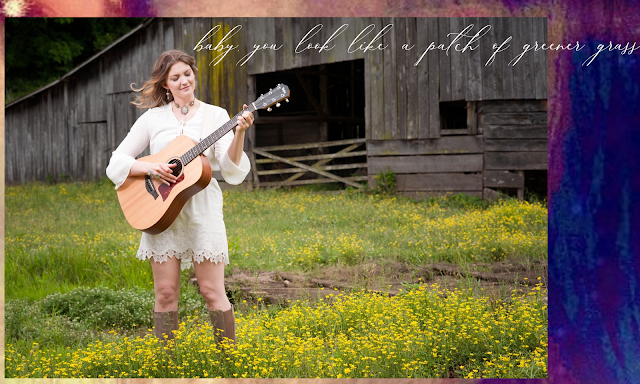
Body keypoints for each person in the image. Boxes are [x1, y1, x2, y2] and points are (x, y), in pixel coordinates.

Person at [106, 50, 253, 351]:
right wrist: (150, 167)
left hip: (203, 211)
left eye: (187, 73)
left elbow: (230, 168)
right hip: (160, 211)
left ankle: (228, 359)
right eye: (175, 77)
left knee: (212, 290)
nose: (184, 80)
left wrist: (238, 135)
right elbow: (116, 163)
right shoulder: (153, 118)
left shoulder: (217, 115)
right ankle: (166, 362)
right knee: (165, 293)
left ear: (194, 75)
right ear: (165, 85)